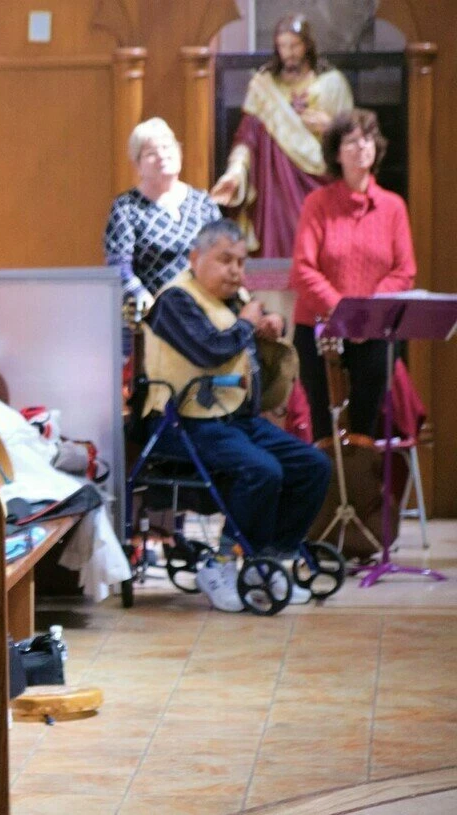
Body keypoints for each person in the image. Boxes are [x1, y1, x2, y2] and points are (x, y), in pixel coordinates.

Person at [142, 219, 330, 611]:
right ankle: (221, 563)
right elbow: (210, 350)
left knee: (313, 465)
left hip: (235, 419)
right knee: (262, 471)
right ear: (195, 257)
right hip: (183, 422)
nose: (235, 271)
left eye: (241, 263)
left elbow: (242, 337)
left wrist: (270, 327)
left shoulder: (231, 299)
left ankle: (267, 563)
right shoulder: (174, 300)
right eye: (225, 260)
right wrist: (247, 323)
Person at [290, 109, 416, 441]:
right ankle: (328, 479)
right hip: (319, 330)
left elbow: (404, 272)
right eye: (351, 141)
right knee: (324, 430)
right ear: (336, 154)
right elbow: (303, 269)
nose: (362, 146)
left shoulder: (393, 207)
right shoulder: (317, 203)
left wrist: (367, 317)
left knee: (365, 430)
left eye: (368, 139)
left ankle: (363, 478)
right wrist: (346, 315)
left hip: (374, 333)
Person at [210, 14, 354, 258]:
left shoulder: (333, 84)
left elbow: (354, 137)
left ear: (307, 44)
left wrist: (330, 127)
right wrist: (235, 172)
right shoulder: (264, 87)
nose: (289, 53)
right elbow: (247, 138)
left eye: (294, 45)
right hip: (275, 190)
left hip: (319, 182)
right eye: (283, 46)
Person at [104, 118, 222, 311]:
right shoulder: (126, 207)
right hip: (153, 313)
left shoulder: (203, 202)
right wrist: (143, 298)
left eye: (167, 147)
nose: (161, 155)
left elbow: (223, 252)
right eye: (151, 153)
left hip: (205, 308)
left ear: (179, 153)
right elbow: (118, 267)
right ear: (137, 165)